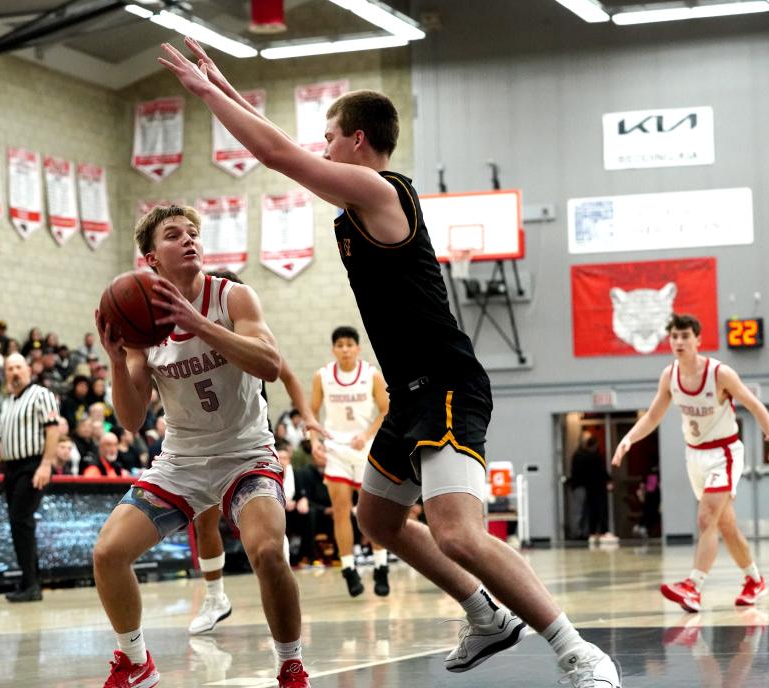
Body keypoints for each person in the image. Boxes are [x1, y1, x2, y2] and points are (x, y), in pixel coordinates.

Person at [160, 40, 620, 687]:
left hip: (448, 383)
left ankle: (580, 652)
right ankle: (483, 615)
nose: (318, 148)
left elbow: (273, 153)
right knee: (378, 519)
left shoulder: (379, 191)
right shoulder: (356, 201)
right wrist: (225, 85)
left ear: (355, 140)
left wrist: (208, 93)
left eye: (327, 137)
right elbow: (281, 145)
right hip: (409, 394)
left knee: (457, 532)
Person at [93, 204, 310, 687]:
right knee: (108, 553)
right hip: (182, 463)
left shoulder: (232, 296)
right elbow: (130, 419)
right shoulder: (141, 325)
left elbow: (270, 364)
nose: (190, 239)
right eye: (174, 235)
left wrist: (198, 321)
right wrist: (115, 358)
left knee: (268, 552)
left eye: (194, 232)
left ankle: (290, 665)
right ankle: (136, 662)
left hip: (245, 454)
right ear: (152, 259)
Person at [187, 268, 326, 637]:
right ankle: (215, 596)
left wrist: (309, 418)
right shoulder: (189, 339)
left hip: (248, 446)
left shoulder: (250, 335)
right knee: (203, 520)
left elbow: (289, 375)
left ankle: (274, 565)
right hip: (202, 445)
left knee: (263, 541)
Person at [612, 313, 768, 612]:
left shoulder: (720, 374)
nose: (679, 342)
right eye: (674, 337)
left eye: (685, 336)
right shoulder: (670, 376)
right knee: (726, 524)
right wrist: (628, 439)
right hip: (694, 455)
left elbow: (754, 405)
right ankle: (754, 580)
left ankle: (693, 586)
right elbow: (653, 416)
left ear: (698, 340)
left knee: (706, 518)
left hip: (723, 453)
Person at [310, 325, 390, 597]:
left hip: (366, 447)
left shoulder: (371, 375)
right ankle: (348, 568)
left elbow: (386, 409)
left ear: (358, 347)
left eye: (349, 344)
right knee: (341, 509)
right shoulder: (322, 376)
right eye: (340, 345)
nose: (345, 349)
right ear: (333, 349)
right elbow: (311, 413)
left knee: (372, 512)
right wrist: (314, 442)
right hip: (336, 449)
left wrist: (366, 434)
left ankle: (381, 566)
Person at [0, 353, 60, 603]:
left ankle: (31, 583)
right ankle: (30, 581)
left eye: (18, 367)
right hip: (10, 469)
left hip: (32, 465)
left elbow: (53, 429)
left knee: (20, 519)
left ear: (28, 370)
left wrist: (46, 464)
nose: (14, 372)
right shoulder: (8, 402)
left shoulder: (41, 394)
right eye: (10, 368)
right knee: (19, 524)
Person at [569, 434, 614, 545]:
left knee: (587, 511)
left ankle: (587, 532)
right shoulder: (590, 457)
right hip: (589, 488)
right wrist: (609, 480)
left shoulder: (580, 456)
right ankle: (586, 532)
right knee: (587, 510)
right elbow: (601, 472)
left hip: (586, 487)